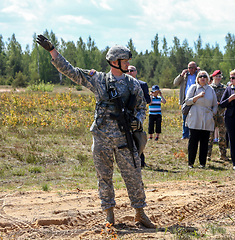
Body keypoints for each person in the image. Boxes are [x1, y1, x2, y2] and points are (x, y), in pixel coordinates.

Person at [36, 35, 156, 228]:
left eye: (127, 61)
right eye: (124, 61)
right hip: (102, 137)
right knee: (104, 177)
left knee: (134, 175)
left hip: (125, 138)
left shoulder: (133, 84)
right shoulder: (98, 79)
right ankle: (109, 215)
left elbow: (142, 107)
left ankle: (140, 213)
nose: (127, 64)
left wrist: (138, 121)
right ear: (114, 62)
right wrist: (53, 51)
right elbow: (72, 72)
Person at [185, 71, 217, 168]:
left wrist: (213, 113)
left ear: (207, 79)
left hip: (207, 117)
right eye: (200, 76)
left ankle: (202, 163)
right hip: (195, 116)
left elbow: (215, 104)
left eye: (204, 76)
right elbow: (187, 101)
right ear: (197, 79)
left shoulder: (210, 89)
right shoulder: (193, 88)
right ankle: (191, 162)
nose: (202, 78)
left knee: (204, 141)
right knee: (193, 141)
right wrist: (198, 96)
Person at [128, 65, 151, 168]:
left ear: (136, 72)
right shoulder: (122, 84)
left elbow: (148, 100)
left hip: (138, 115)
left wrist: (138, 103)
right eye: (127, 71)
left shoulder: (142, 84)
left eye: (132, 70)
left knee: (138, 138)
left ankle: (141, 161)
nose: (130, 72)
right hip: (125, 115)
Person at [173, 61, 198, 139]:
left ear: (196, 68)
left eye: (193, 68)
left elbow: (206, 80)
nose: (191, 69)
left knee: (195, 118)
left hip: (195, 100)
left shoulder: (198, 76)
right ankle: (185, 135)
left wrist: (199, 72)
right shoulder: (184, 77)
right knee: (185, 118)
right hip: (185, 100)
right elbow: (175, 83)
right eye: (189, 68)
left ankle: (193, 135)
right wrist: (181, 75)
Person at [207, 70, 228, 161]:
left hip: (222, 114)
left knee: (222, 135)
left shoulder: (225, 88)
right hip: (211, 114)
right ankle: (208, 154)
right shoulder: (209, 88)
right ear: (213, 77)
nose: (218, 78)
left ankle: (223, 154)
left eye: (220, 76)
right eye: (216, 76)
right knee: (210, 136)